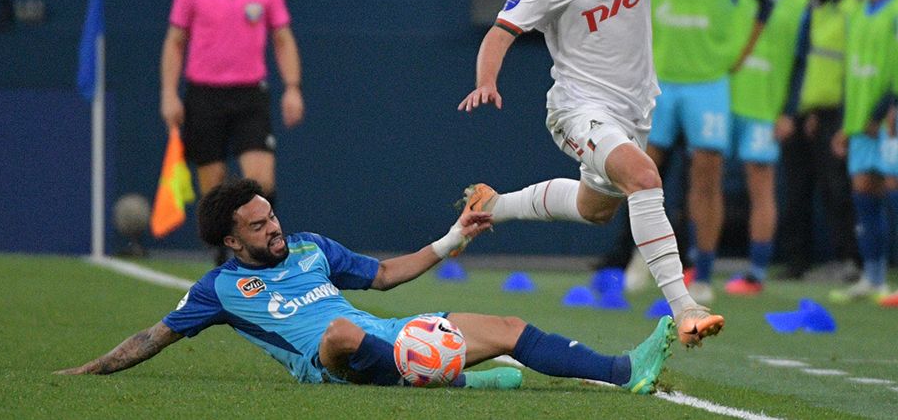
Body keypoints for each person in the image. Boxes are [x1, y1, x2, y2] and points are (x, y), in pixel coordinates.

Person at [457, 0, 847, 346]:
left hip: (635, 107)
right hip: (578, 107)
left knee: (596, 208)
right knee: (645, 176)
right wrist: (486, 80)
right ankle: (686, 308)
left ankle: (495, 205)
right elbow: (501, 31)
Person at [56, 179, 676, 394]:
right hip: (329, 361)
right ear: (232, 242)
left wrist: (453, 238)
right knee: (338, 331)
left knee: (510, 328)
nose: (274, 228)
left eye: (271, 216)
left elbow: (383, 275)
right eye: (259, 226)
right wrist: (88, 371)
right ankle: (453, 377)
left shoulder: (310, 248)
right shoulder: (219, 289)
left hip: (387, 334)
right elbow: (154, 336)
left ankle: (625, 371)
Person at [647, 0, 773, 304]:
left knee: (706, 177)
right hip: (659, 82)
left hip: (707, 84)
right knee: (641, 174)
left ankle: (702, 270)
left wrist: (741, 54)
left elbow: (764, 0)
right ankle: (641, 258)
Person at [160, 0, 305, 265]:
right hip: (204, 96)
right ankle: (222, 257)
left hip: (249, 95)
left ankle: (267, 252)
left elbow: (282, 39)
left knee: (261, 181)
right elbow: (175, 42)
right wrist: (169, 93)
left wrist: (292, 87)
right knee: (213, 187)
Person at [724, 0, 811, 295]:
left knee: (762, 188)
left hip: (765, 108)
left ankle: (756, 272)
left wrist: (789, 111)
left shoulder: (802, 3)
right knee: (704, 180)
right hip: (724, 100)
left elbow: (802, 62)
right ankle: (696, 263)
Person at [775, 0, 864, 281]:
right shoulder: (824, 6)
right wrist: (809, 109)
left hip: (849, 110)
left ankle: (854, 261)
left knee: (845, 189)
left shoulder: (863, 2)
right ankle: (813, 260)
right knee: (820, 188)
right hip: (820, 110)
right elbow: (816, 64)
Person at [828, 0, 898, 303]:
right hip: (860, 123)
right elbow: (853, 72)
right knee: (864, 195)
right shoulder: (855, 11)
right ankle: (873, 278)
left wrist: (885, 109)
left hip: (889, 119)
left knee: (893, 189)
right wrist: (848, 123)